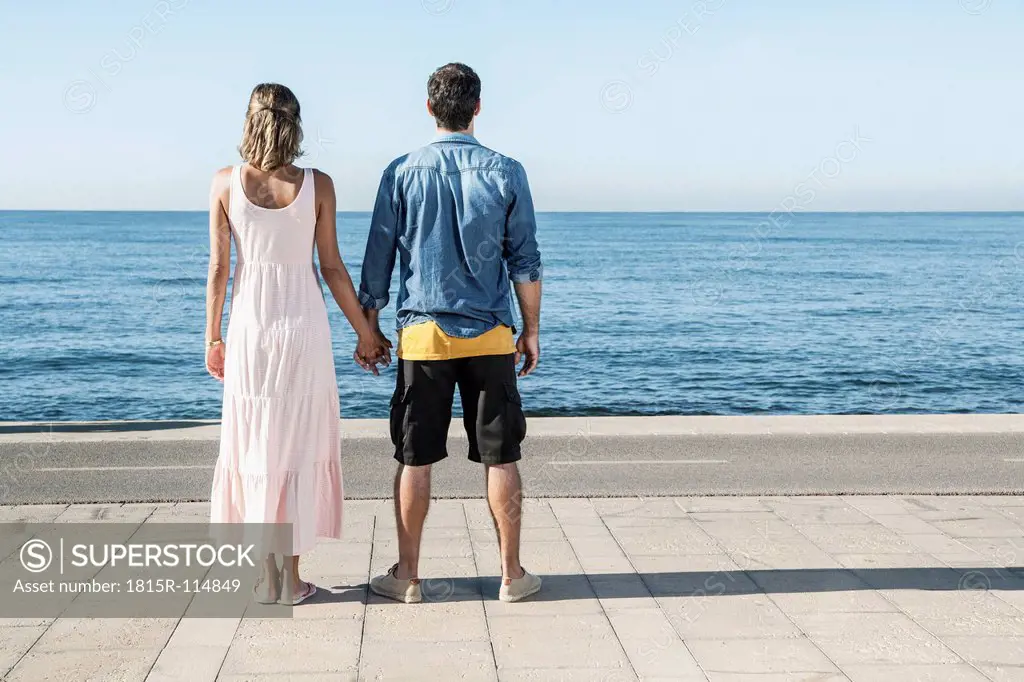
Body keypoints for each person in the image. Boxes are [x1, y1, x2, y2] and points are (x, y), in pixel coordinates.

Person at [358, 63, 544, 603]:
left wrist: (368, 328)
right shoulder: (507, 171)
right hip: (490, 337)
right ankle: (511, 576)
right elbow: (525, 260)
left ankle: (409, 577)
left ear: (429, 107)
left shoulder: (401, 172)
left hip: (423, 338)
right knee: (501, 456)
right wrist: (530, 330)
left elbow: (378, 258)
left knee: (414, 457)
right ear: (477, 107)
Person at [204, 83, 390, 605]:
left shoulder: (224, 183)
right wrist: (366, 333)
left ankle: (266, 582)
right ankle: (292, 580)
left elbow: (220, 269)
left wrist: (212, 337)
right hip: (303, 326)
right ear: (296, 122)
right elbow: (331, 267)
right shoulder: (318, 185)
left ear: (249, 119)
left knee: (256, 444)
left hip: (251, 328)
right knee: (294, 444)